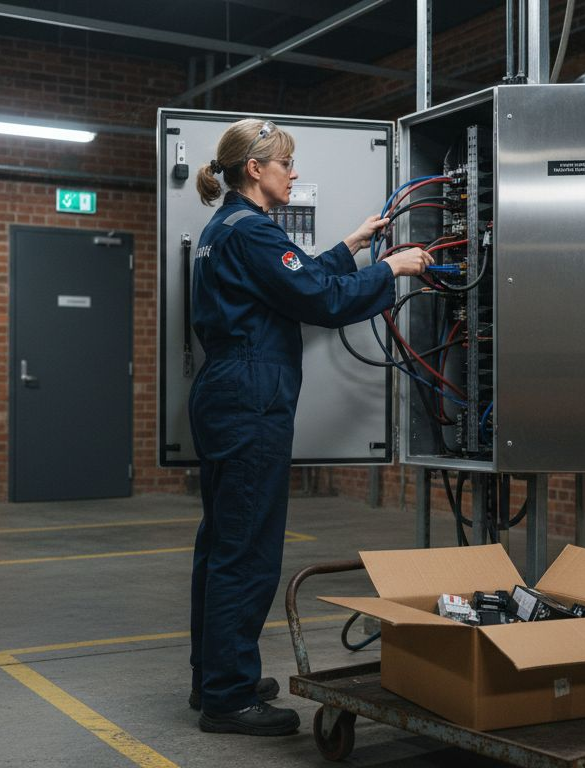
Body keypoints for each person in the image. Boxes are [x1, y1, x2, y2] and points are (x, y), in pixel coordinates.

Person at [186, 118, 432, 736]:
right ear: (255, 170)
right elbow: (323, 300)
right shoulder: (257, 235)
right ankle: (229, 697)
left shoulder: (229, 230)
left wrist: (352, 244)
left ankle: (217, 676)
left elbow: (300, 279)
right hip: (251, 399)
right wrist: (393, 269)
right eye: (287, 164)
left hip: (227, 393)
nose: (294, 174)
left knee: (222, 545)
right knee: (247, 551)